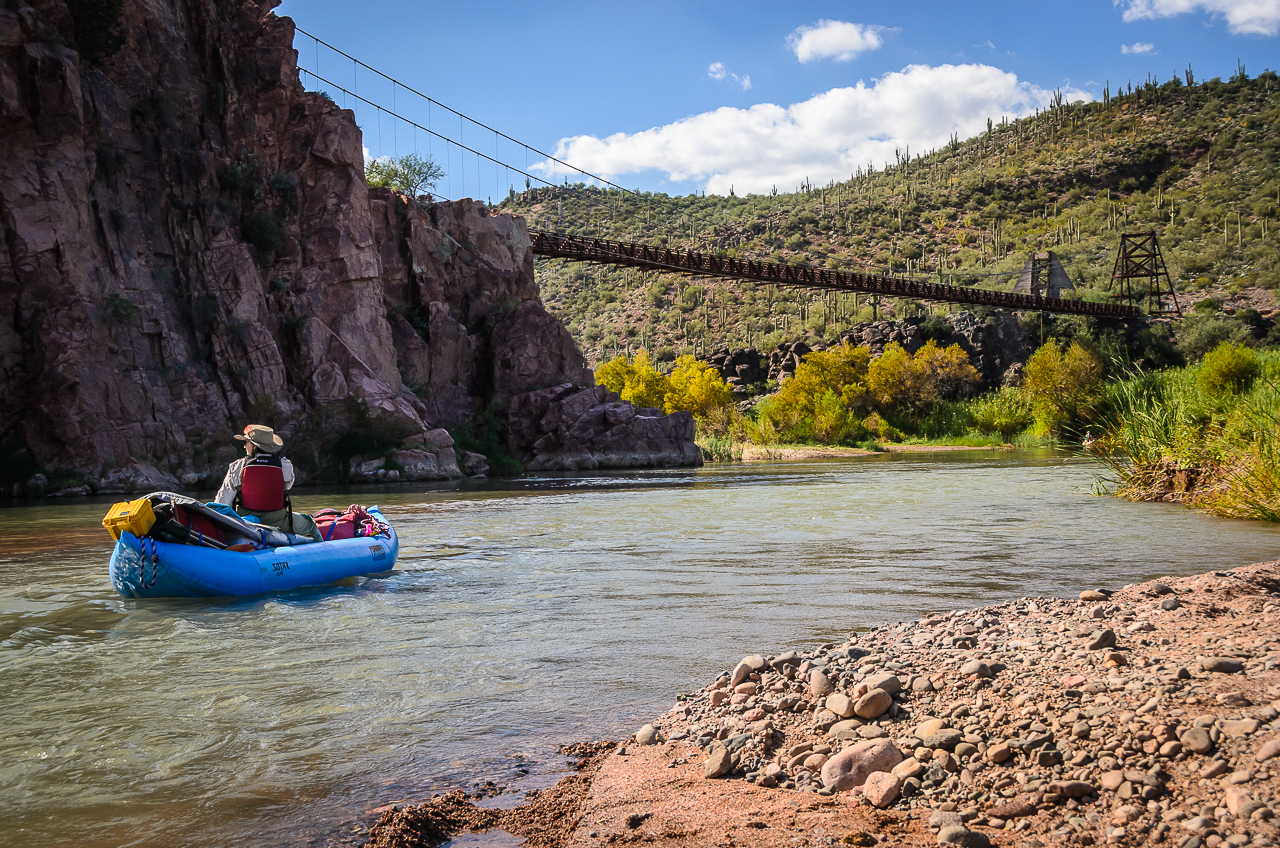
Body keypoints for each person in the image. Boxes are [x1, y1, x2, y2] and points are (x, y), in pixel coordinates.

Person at [215, 424, 321, 542]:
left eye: (246, 442)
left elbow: (222, 503)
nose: (244, 445)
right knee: (310, 524)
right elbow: (287, 486)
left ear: (254, 446)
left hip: (246, 523)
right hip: (279, 522)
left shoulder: (237, 467)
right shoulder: (285, 465)